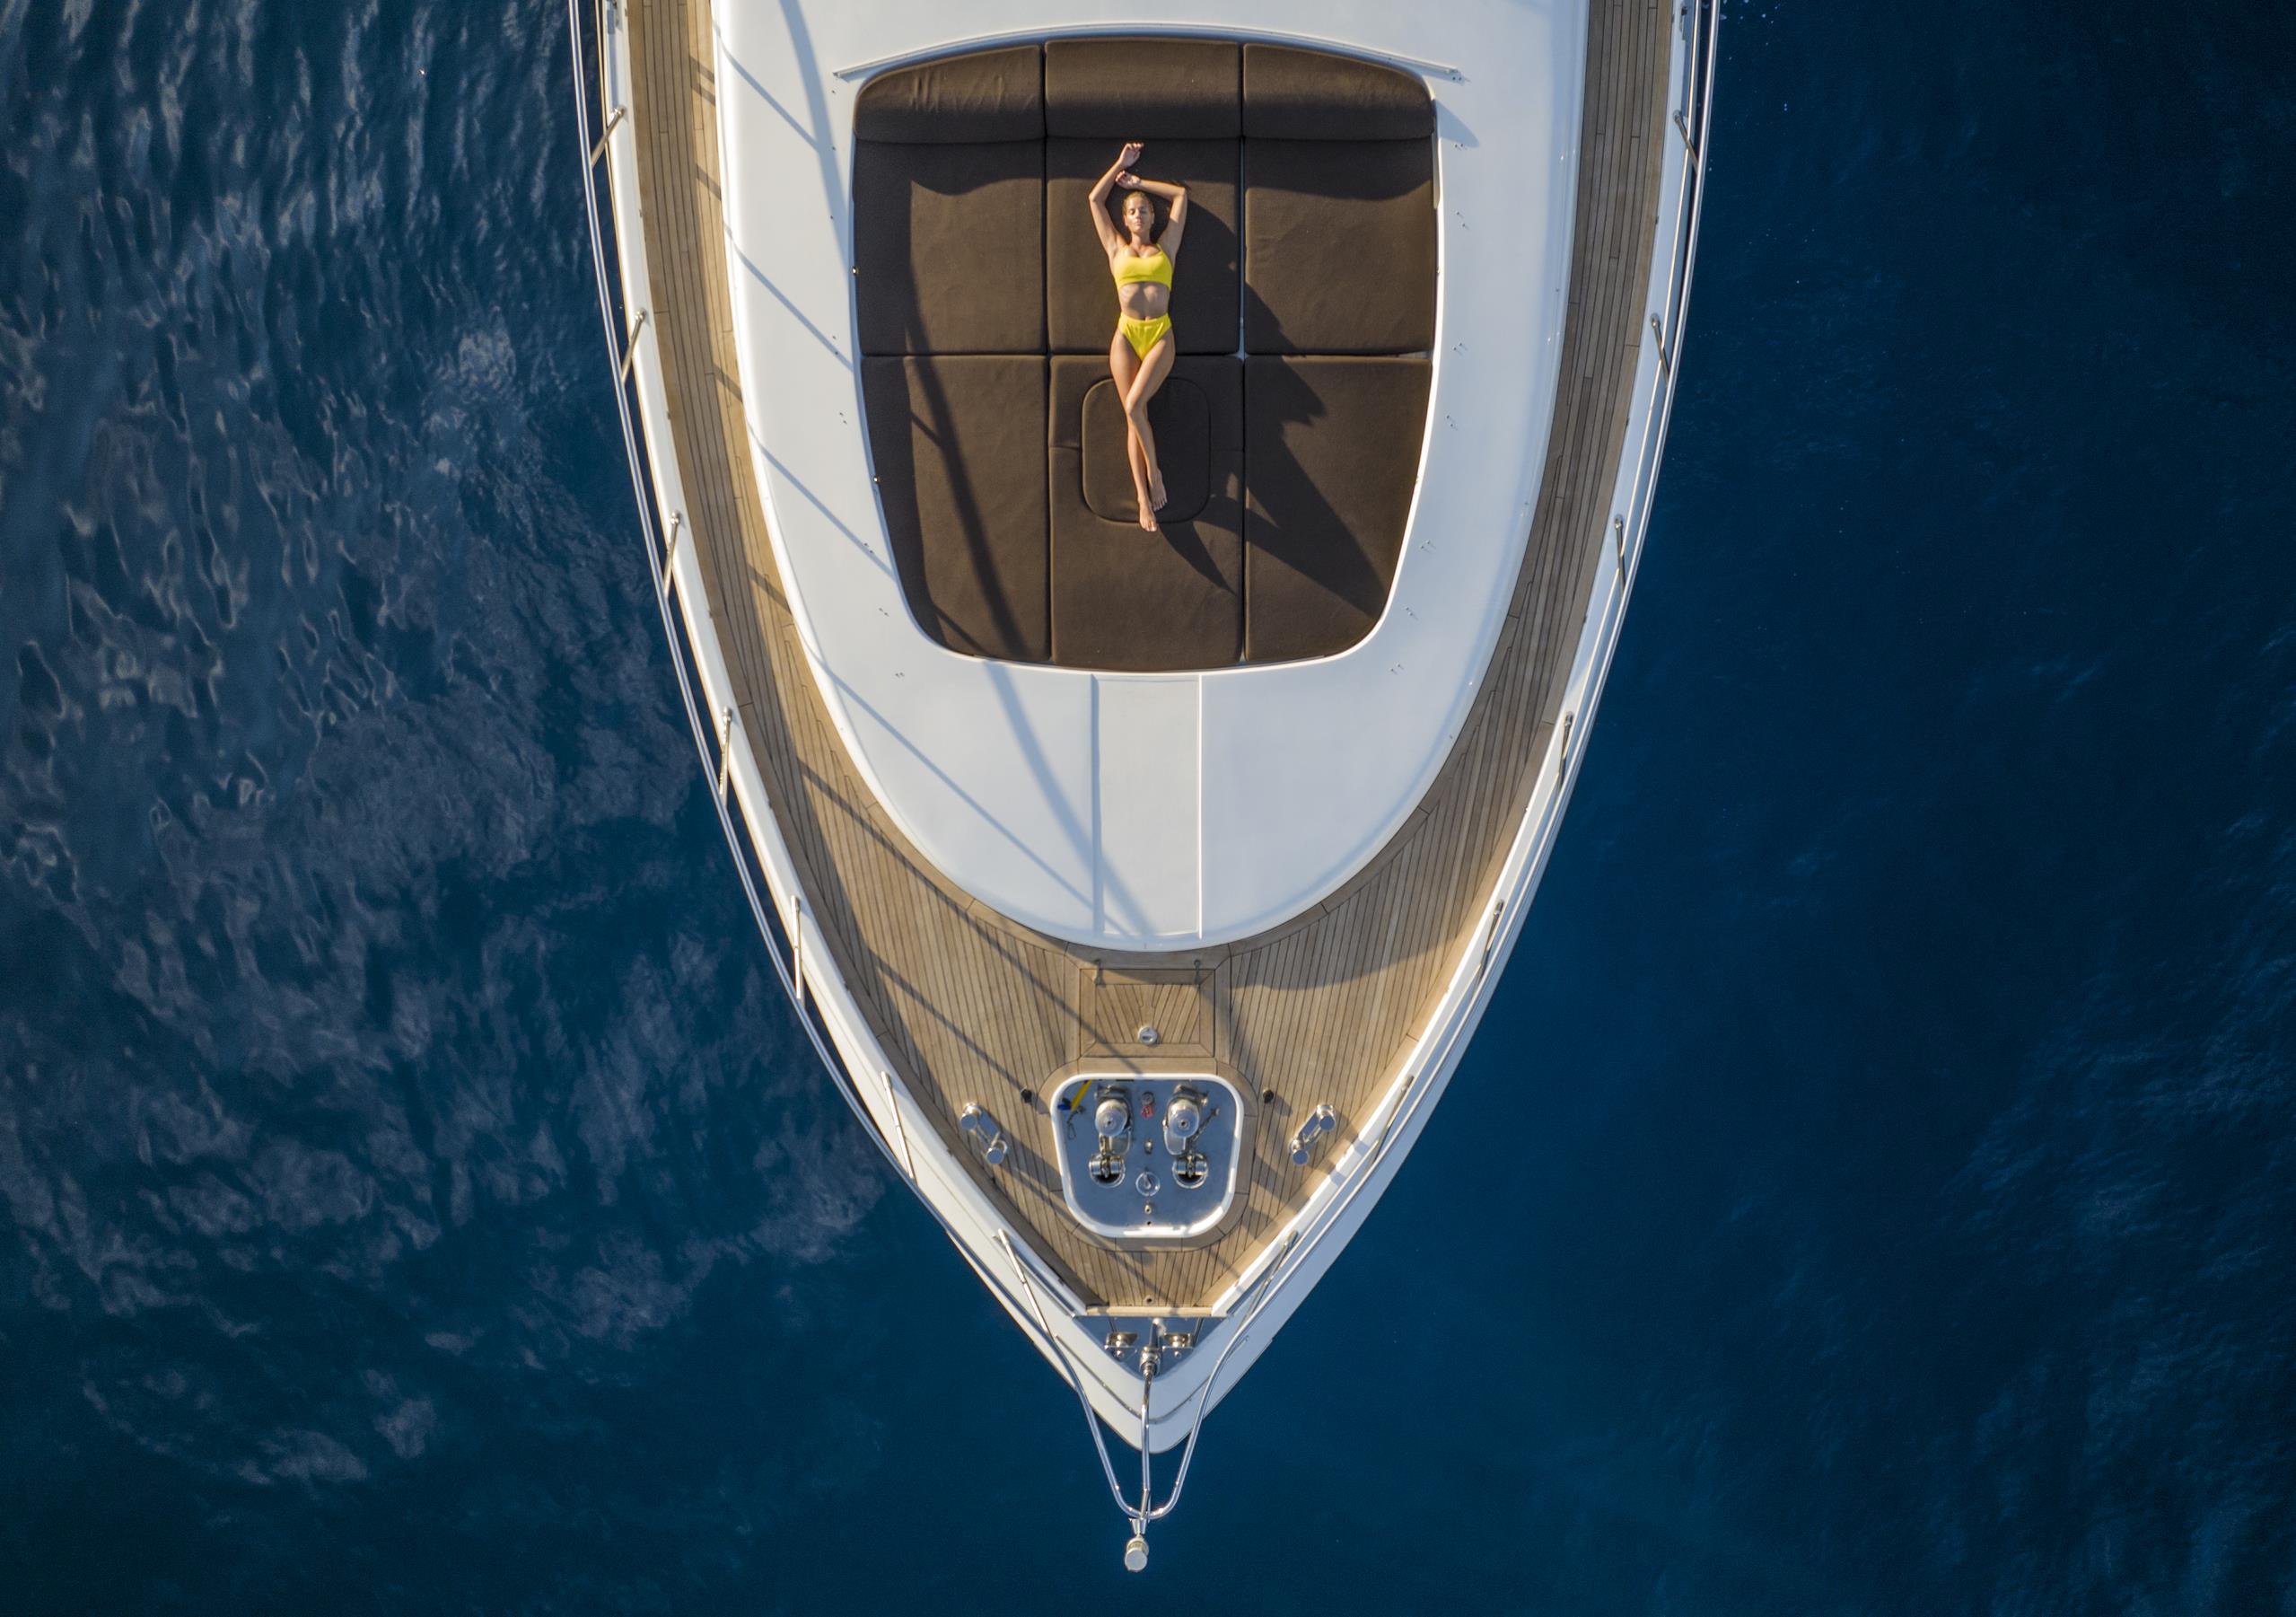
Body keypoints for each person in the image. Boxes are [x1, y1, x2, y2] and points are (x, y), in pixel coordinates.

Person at [1087, 142, 1187, 532]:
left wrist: (1140, 182)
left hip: (1159, 332)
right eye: (1131, 211)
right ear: (1125, 220)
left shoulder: (1167, 247)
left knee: (1132, 407)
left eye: (1143, 210)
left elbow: (1180, 196)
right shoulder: (1115, 248)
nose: (1138, 215)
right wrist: (1119, 165)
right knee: (1133, 414)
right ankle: (1143, 497)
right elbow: (1094, 200)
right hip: (1127, 334)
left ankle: (1155, 473)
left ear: (1151, 216)